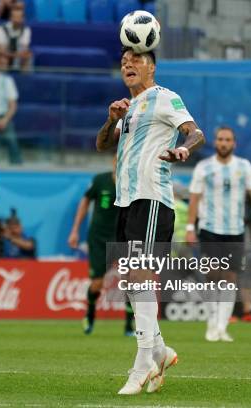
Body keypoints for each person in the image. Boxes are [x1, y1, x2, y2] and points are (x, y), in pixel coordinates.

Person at [95, 47, 205, 395]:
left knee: (140, 275)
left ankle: (142, 364)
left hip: (152, 197)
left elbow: (195, 131)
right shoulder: (127, 109)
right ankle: (160, 351)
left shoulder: (164, 98)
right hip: (126, 201)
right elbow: (101, 145)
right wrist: (112, 118)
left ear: (152, 67)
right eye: (124, 61)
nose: (128, 64)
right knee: (128, 282)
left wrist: (184, 148)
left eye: (136, 60)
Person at [186, 126, 251, 342]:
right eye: (220, 139)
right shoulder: (204, 167)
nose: (224, 143)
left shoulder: (244, 166)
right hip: (210, 228)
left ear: (234, 144)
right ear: (215, 142)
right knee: (212, 275)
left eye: (228, 140)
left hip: (235, 230)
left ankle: (222, 326)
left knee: (231, 277)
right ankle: (212, 322)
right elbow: (194, 198)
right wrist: (189, 227)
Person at [68, 157, 135, 336]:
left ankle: (129, 326)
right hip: (98, 238)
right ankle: (90, 313)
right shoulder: (99, 180)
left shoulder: (133, 181)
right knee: (97, 283)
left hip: (123, 237)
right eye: (117, 159)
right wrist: (74, 230)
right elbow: (85, 202)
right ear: (113, 162)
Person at [0, 6, 32, 71]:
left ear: (23, 18)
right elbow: (1, 50)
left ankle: (24, 79)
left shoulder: (26, 30)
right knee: (3, 60)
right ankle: (3, 80)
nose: (17, 20)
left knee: (27, 57)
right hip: (1, 55)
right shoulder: (0, 29)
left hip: (17, 55)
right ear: (10, 18)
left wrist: (21, 54)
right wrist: (15, 55)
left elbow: (24, 48)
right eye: (15, 17)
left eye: (20, 17)